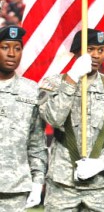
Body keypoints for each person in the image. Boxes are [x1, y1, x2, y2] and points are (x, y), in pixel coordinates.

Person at [39, 28, 104, 211]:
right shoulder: (53, 84)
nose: (96, 55)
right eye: (90, 49)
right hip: (62, 184)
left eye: (100, 49)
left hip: (101, 186)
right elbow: (54, 118)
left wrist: (102, 163)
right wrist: (72, 79)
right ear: (76, 52)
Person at [0, 25, 47, 211]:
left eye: (17, 48)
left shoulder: (32, 91)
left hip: (16, 188)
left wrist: (37, 182)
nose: (12, 53)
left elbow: (36, 143)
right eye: (5, 47)